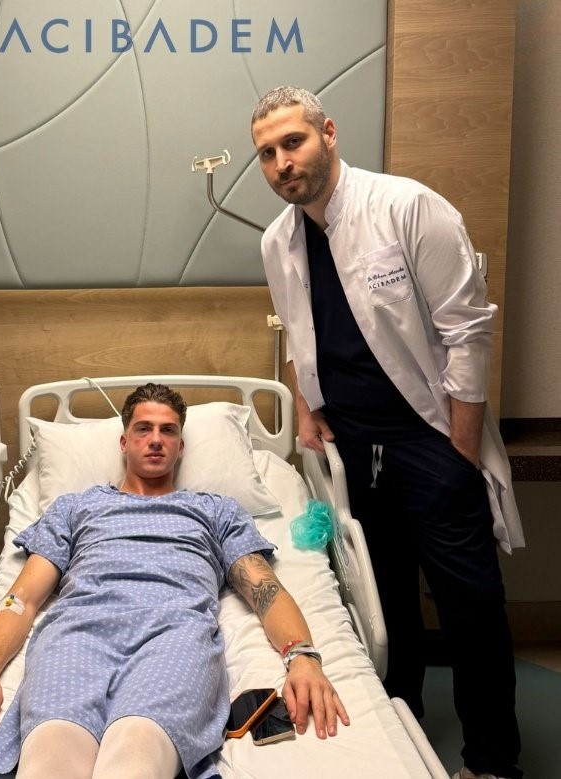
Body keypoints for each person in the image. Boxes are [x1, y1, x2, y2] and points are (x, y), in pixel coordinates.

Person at [251, 86, 525, 779]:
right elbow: (297, 334)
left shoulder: (407, 208)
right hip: (354, 445)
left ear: (328, 133)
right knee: (387, 597)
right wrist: (305, 408)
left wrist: (459, 446)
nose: (282, 162)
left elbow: (467, 329)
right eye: (268, 153)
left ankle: (492, 761)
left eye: (293, 142)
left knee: (469, 605)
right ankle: (401, 725)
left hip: (429, 437)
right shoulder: (278, 241)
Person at [0, 382, 349, 779]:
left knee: (136, 758)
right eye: (143, 429)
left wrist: (303, 658)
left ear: (181, 447)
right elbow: (21, 597)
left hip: (175, 635)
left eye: (168, 431)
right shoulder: (76, 508)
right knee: (49, 760)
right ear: (123, 441)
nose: (155, 440)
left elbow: (265, 590)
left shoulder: (216, 511)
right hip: (77, 634)